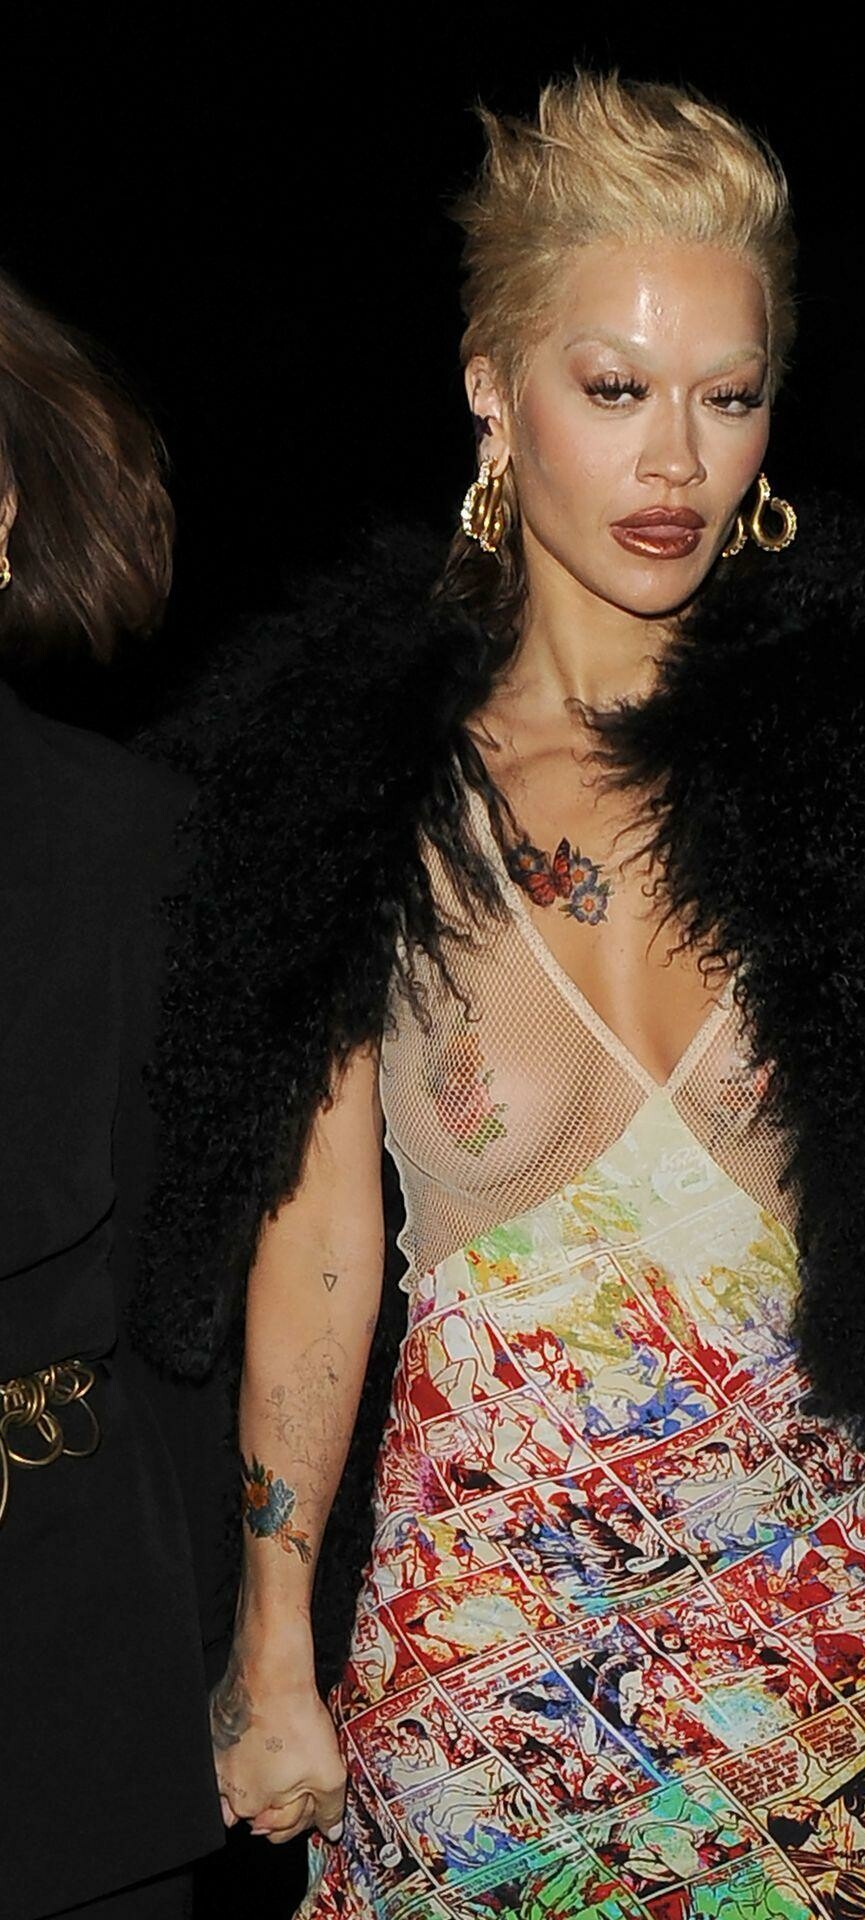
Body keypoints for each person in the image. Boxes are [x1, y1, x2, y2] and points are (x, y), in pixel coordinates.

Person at [129, 71, 865, 1919]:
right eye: (614, 390)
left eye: (728, 395)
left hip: (807, 1696)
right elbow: (317, 1254)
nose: (677, 462)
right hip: (471, 1698)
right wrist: (270, 1641)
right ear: (491, 389)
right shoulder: (361, 788)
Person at [0, 270, 227, 1917]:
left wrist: (231, 1660)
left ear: (6, 510)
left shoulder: (136, 843)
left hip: (68, 1666)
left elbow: (192, 1304)